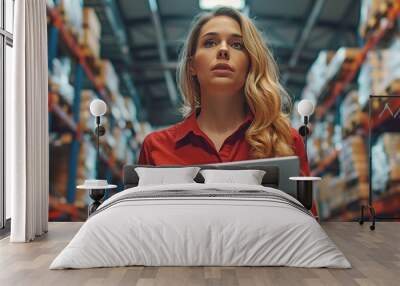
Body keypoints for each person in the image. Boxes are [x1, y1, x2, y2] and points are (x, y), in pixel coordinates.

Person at [137, 7, 310, 177]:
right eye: (210, 42)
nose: (223, 50)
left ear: (251, 63)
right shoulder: (155, 147)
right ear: (192, 66)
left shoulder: (286, 142)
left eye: (237, 44)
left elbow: (303, 207)